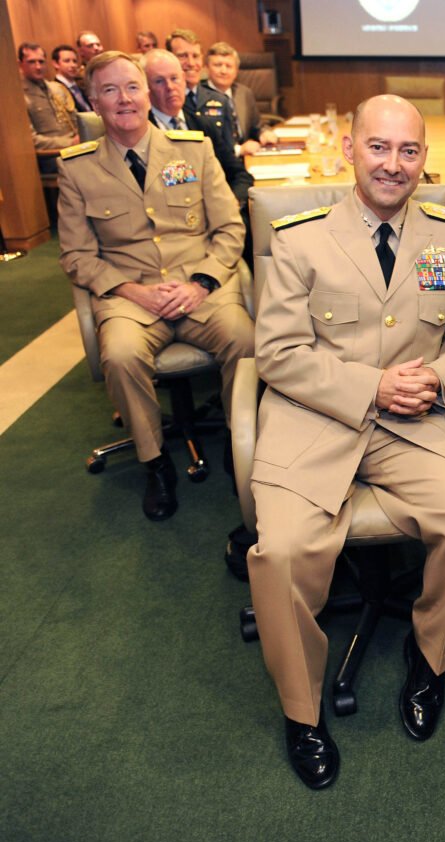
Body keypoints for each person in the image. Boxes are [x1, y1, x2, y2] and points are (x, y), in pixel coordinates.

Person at [246, 94, 445, 790]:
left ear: (424, 158)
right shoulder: (298, 240)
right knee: (282, 551)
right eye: (378, 147)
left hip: (412, 422)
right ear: (350, 148)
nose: (393, 163)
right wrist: (371, 386)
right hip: (316, 418)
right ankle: (302, 713)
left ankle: (430, 658)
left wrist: (440, 382)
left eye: (408, 150)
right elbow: (280, 354)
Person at [57, 51, 253, 520]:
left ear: (148, 93)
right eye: (109, 90)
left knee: (247, 340)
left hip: (201, 286)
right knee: (121, 356)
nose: (123, 99)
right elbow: (77, 256)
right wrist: (133, 292)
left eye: (131, 87)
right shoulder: (77, 167)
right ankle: (156, 462)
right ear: (94, 103)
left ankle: (239, 441)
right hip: (132, 295)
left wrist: (202, 282)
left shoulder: (194, 149)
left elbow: (229, 229)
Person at [142, 49, 253, 207]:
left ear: (183, 80)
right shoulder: (142, 132)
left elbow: (239, 175)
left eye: (175, 79)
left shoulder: (202, 124)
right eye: (159, 81)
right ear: (146, 88)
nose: (170, 87)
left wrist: (232, 203)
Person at [201, 41, 278, 155]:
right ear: (207, 68)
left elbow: (256, 126)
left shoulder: (244, 93)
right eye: (217, 65)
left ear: (236, 71)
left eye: (229, 66)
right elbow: (204, 142)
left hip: (247, 158)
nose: (223, 71)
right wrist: (239, 150)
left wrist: (264, 133)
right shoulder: (198, 97)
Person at [19, 42, 78, 170]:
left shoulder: (57, 89)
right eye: (31, 62)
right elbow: (30, 140)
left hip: (74, 149)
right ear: (20, 64)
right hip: (49, 156)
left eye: (41, 61)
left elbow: (76, 119)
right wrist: (69, 143)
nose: (38, 66)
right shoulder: (18, 97)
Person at [166, 29, 205, 114]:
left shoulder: (220, 99)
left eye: (195, 56)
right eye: (183, 56)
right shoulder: (163, 101)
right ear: (169, 58)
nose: (191, 63)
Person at [52, 44, 92, 112]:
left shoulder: (81, 85)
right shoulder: (54, 90)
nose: (73, 65)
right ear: (56, 64)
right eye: (67, 61)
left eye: (75, 61)